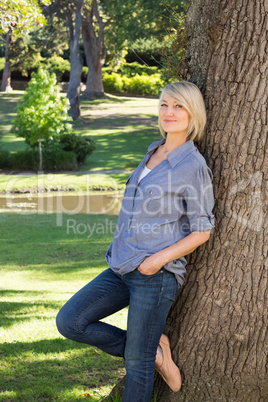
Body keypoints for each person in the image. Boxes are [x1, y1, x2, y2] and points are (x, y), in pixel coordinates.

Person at [56, 81, 215, 402]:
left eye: (178, 106)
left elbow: (203, 230)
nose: (169, 112)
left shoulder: (193, 167)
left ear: (193, 113)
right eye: (164, 105)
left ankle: (147, 351)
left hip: (155, 276)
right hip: (122, 266)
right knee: (70, 321)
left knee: (137, 365)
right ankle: (154, 348)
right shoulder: (153, 151)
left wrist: (156, 261)